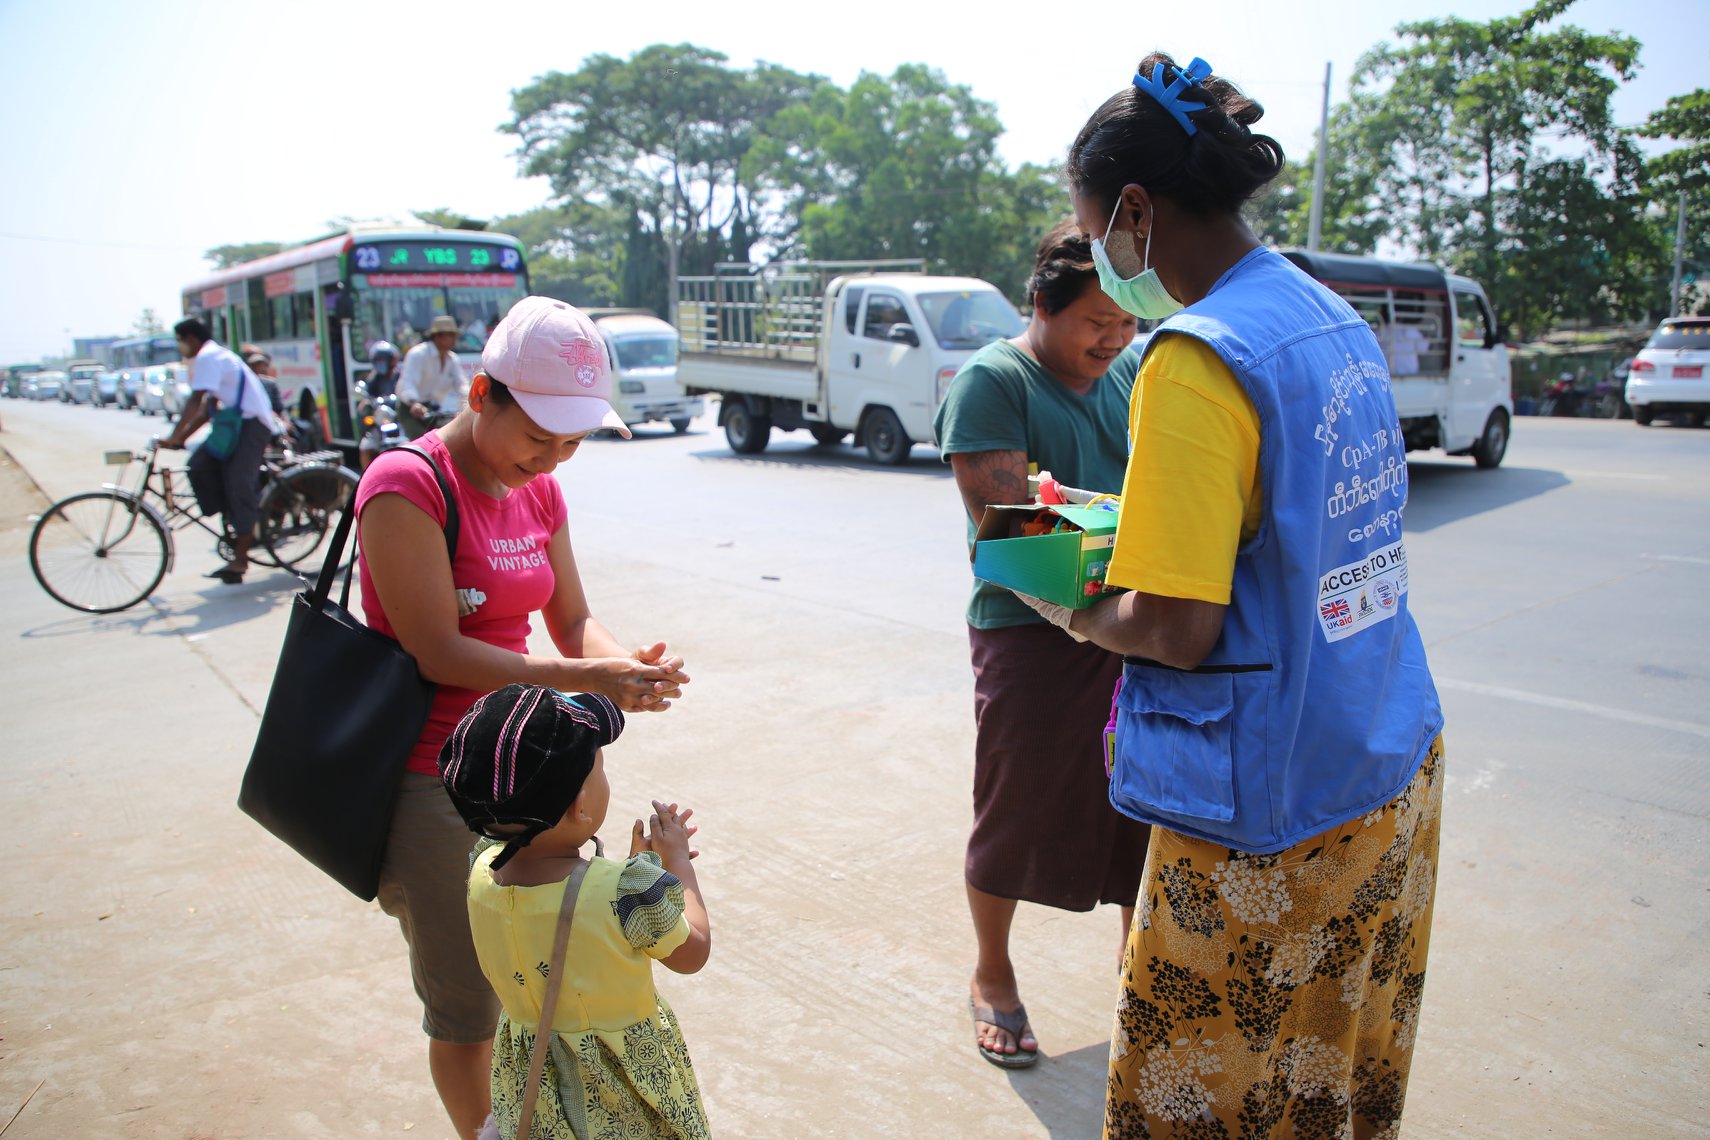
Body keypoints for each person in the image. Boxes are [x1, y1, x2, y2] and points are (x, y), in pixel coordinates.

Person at [1044, 54, 1445, 1136]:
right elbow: (1297, 522)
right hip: (1386, 754)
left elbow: (1177, 626)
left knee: (1210, 1091)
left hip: (1267, 807)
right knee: (1328, 1068)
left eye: (1094, 234)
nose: (1101, 261)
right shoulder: (1325, 314)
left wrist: (1072, 608)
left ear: (1133, 210)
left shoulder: (1195, 357)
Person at [357, 295, 692, 1139]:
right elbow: (439, 652)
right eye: (538, 436)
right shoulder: (406, 485)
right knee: (469, 1005)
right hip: (438, 778)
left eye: (572, 443)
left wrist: (627, 668)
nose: (551, 460)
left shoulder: (538, 495)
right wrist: (589, 675)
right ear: (481, 395)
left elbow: (571, 619)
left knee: (548, 984)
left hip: (532, 768)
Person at [931, 221, 1151, 1069]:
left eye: (1126, 321)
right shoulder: (994, 380)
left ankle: (1144, 977)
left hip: (1131, 626)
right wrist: (1134, 535)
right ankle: (993, 972)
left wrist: (1107, 532)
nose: (1114, 338)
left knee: (1144, 803)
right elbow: (1012, 533)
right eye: (1097, 319)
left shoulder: (1132, 373)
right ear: (1042, 305)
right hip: (1028, 632)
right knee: (1014, 806)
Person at [444, 684, 711, 1139]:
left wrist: (632, 874)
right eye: (599, 769)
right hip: (621, 1093)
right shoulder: (627, 890)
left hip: (532, 1084)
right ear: (580, 805)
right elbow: (692, 953)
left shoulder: (481, 867)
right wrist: (676, 866)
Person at [158, 318, 279, 582]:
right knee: (199, 465)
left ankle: (241, 556)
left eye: (179, 341)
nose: (180, 348)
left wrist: (174, 436)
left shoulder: (208, 357)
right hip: (234, 426)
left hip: (252, 425)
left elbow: (195, 400)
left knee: (239, 484)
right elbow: (205, 410)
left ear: (190, 339)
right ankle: (234, 520)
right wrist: (178, 438)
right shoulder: (211, 358)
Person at [397, 314, 466, 439]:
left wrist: (471, 402)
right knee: (420, 446)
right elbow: (408, 383)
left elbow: (462, 385)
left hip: (433, 410)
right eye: (450, 335)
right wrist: (414, 403)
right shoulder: (418, 354)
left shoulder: (452, 359)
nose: (454, 339)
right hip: (411, 409)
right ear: (438, 336)